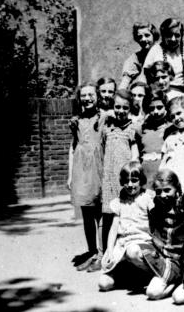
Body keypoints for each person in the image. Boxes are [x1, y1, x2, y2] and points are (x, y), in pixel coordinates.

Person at [127, 170, 184, 300]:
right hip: (160, 255)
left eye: (167, 190)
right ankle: (162, 277)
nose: (163, 195)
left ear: (177, 188)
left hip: (177, 261)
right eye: (159, 191)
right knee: (132, 251)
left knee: (152, 293)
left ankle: (173, 281)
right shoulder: (156, 205)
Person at [98, 161, 155, 291]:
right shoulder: (119, 202)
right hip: (122, 244)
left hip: (141, 243)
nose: (130, 185)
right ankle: (126, 277)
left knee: (132, 252)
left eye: (134, 180)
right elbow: (113, 230)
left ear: (141, 180)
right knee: (103, 284)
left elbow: (156, 223)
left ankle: (151, 274)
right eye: (126, 181)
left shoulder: (147, 198)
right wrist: (110, 251)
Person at [101, 89, 140, 262]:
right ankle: (105, 254)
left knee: (124, 216)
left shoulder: (132, 128)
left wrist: (131, 177)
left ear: (130, 108)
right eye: (117, 107)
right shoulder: (107, 127)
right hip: (108, 178)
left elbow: (135, 156)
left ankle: (124, 256)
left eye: (125, 107)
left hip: (124, 180)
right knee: (108, 216)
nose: (121, 111)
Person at [68, 83, 104, 272]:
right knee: (87, 214)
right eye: (84, 95)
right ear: (79, 98)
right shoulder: (76, 121)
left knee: (100, 212)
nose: (88, 98)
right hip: (82, 171)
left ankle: (102, 254)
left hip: (99, 169)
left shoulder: (105, 118)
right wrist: (69, 175)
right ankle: (91, 253)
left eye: (91, 94)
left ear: (97, 96)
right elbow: (73, 147)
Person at [142, 19, 184, 91]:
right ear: (163, 36)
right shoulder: (156, 50)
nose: (173, 39)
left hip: (182, 93)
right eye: (169, 35)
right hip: (161, 91)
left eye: (177, 35)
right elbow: (145, 74)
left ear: (181, 36)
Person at [136, 90, 169, 189]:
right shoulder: (141, 129)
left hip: (164, 173)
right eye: (151, 108)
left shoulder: (170, 128)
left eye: (159, 107)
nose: (156, 112)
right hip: (146, 173)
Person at [120, 23, 159, 90]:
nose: (143, 39)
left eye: (147, 35)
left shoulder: (164, 52)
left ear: (154, 36)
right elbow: (125, 82)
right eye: (140, 37)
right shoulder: (135, 57)